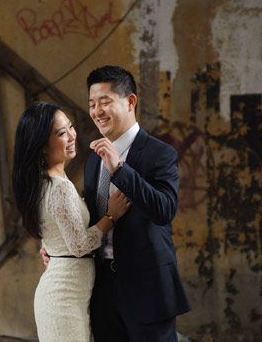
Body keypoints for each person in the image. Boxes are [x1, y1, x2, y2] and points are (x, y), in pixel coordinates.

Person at [43, 65, 190, 341]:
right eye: (92, 104)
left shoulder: (160, 154)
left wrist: (120, 169)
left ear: (130, 101)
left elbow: (164, 210)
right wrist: (55, 244)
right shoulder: (92, 160)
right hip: (102, 289)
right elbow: (87, 216)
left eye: (105, 102)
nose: (97, 111)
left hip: (148, 290)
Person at [13, 101, 131, 342]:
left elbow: (54, 231)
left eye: (70, 127)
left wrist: (50, 250)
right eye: (61, 133)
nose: (71, 135)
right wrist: (111, 216)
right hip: (63, 299)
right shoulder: (60, 188)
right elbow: (79, 245)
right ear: (42, 147)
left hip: (67, 296)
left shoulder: (46, 182)